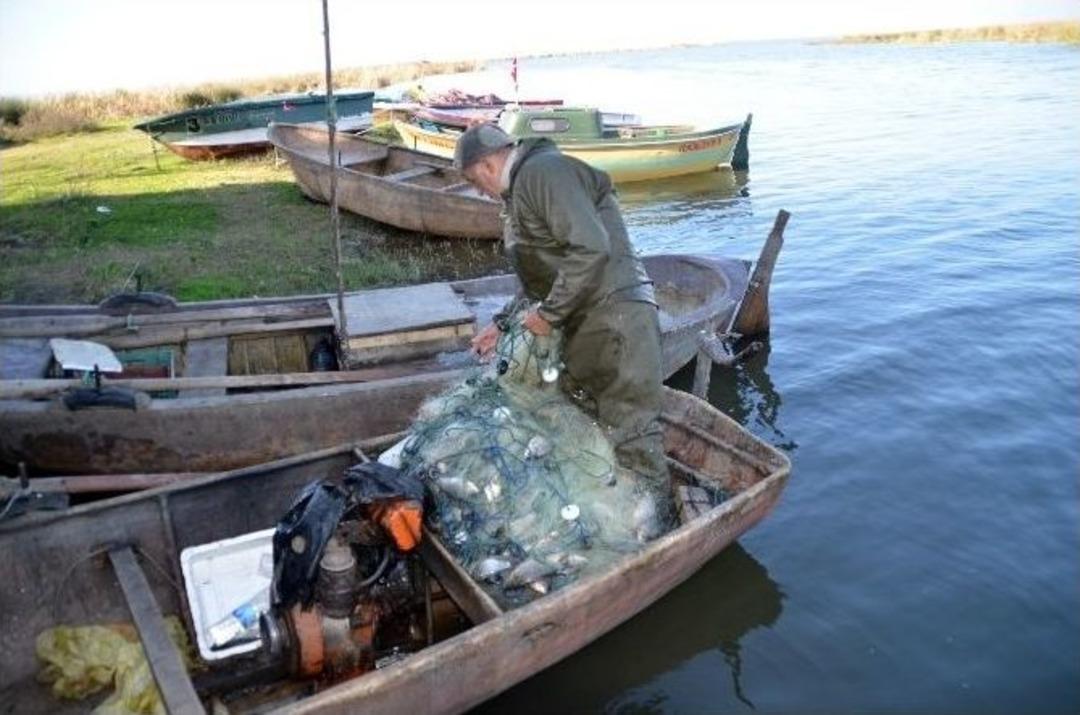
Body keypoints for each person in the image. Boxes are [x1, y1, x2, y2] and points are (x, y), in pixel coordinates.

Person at [454, 123, 671, 516]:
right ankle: (611, 516)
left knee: (632, 432)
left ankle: (656, 532)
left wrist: (550, 316)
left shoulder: (543, 171)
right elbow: (546, 276)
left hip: (616, 319)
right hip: (584, 325)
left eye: (473, 181)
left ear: (486, 165)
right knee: (585, 423)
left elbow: (591, 250)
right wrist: (502, 324)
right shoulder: (521, 192)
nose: (477, 191)